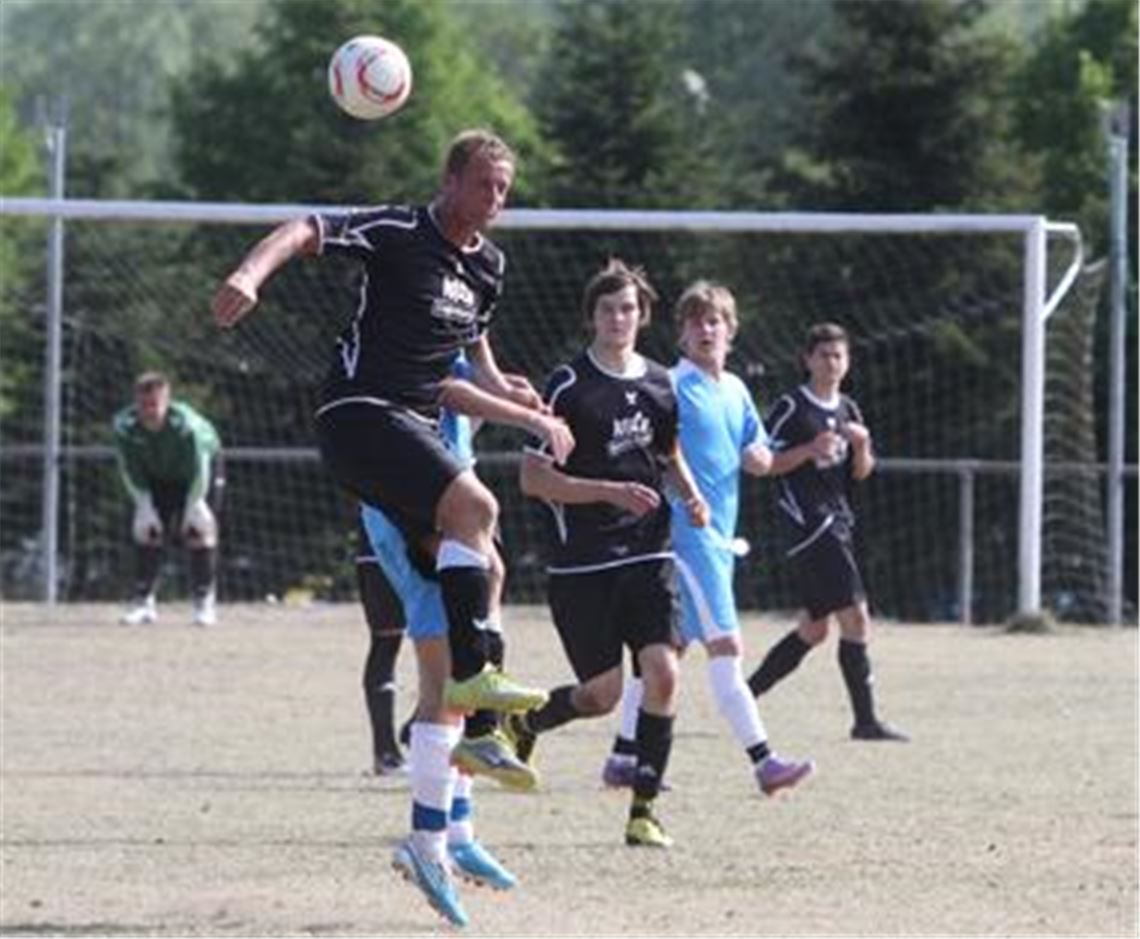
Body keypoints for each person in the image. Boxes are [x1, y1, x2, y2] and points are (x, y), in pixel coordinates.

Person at [212, 129, 574, 927]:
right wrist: (248, 271)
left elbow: (464, 358)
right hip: (361, 415)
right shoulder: (399, 231)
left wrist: (505, 389)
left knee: (490, 568)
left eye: (504, 190)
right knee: (473, 527)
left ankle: (448, 821)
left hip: (409, 431)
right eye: (483, 184)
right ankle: (467, 749)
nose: (494, 201)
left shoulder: (487, 266)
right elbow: (306, 227)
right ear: (449, 180)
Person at [509, 259, 708, 849]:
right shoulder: (567, 386)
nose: (618, 318)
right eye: (607, 309)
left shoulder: (660, 383)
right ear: (591, 317)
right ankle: (527, 720)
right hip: (583, 563)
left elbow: (667, 452)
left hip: (650, 553)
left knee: (664, 673)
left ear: (643, 316)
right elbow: (532, 479)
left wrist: (691, 495)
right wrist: (607, 490)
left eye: (628, 309)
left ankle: (643, 812)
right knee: (600, 696)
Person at [600, 281, 815, 796]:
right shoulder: (671, 387)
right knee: (727, 645)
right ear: (682, 333)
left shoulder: (737, 389)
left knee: (665, 654)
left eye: (714, 320)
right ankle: (765, 764)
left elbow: (755, 454)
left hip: (717, 540)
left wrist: (772, 456)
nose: (706, 329)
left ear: (731, 331)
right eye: (695, 321)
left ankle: (622, 758)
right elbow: (647, 448)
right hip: (684, 538)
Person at [358, 355, 536, 790]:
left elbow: (466, 389)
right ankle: (431, 837)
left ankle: (461, 823)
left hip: (447, 497)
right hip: (413, 506)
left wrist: (497, 384)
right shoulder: (409, 338)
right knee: (440, 679)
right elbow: (443, 388)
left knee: (491, 573)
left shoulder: (448, 337)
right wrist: (528, 416)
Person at [746, 322, 909, 742]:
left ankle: (744, 697)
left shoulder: (848, 409)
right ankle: (865, 721)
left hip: (838, 520)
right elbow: (766, 463)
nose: (832, 363)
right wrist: (807, 450)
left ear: (847, 361)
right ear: (808, 360)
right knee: (856, 617)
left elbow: (862, 472)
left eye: (839, 356)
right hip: (809, 525)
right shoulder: (791, 407)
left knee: (814, 629)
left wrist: (862, 444)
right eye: (824, 355)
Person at [113, 371, 222, 627]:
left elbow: (200, 469)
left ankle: (204, 604)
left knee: (199, 530)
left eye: (155, 404)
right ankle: (143, 603)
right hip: (156, 476)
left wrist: (196, 504)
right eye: (143, 404)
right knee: (147, 530)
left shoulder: (187, 428)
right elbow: (128, 470)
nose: (148, 410)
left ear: (166, 401)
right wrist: (143, 504)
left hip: (198, 475)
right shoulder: (124, 426)